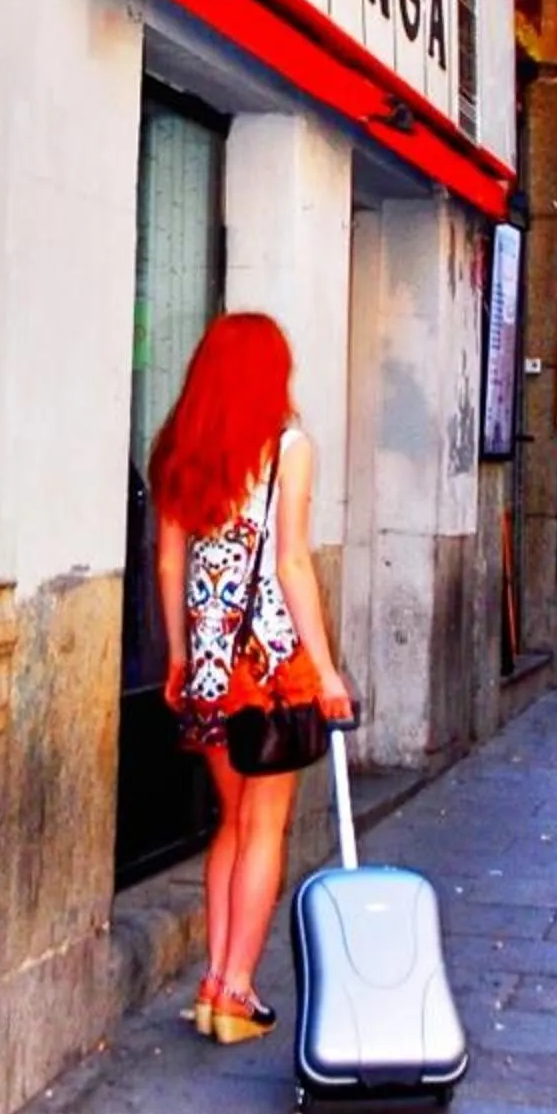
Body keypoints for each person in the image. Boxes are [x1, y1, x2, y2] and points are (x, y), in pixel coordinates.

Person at [151, 313, 353, 1044]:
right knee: (265, 826)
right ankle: (237, 992)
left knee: (230, 823)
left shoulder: (180, 449)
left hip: (208, 667)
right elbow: (292, 563)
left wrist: (179, 656)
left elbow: (171, 563)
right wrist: (327, 670)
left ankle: (213, 980)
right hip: (268, 666)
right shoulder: (288, 448)